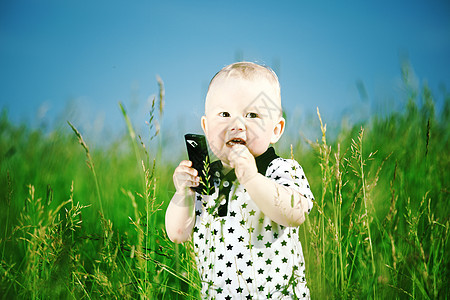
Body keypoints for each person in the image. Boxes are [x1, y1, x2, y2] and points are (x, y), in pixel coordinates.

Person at [165, 62, 314, 299]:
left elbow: (295, 214)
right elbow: (177, 233)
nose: (236, 124)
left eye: (252, 115)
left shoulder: (280, 169)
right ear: (206, 126)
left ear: (276, 129)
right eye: (224, 114)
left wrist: (252, 179)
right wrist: (183, 193)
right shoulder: (204, 179)